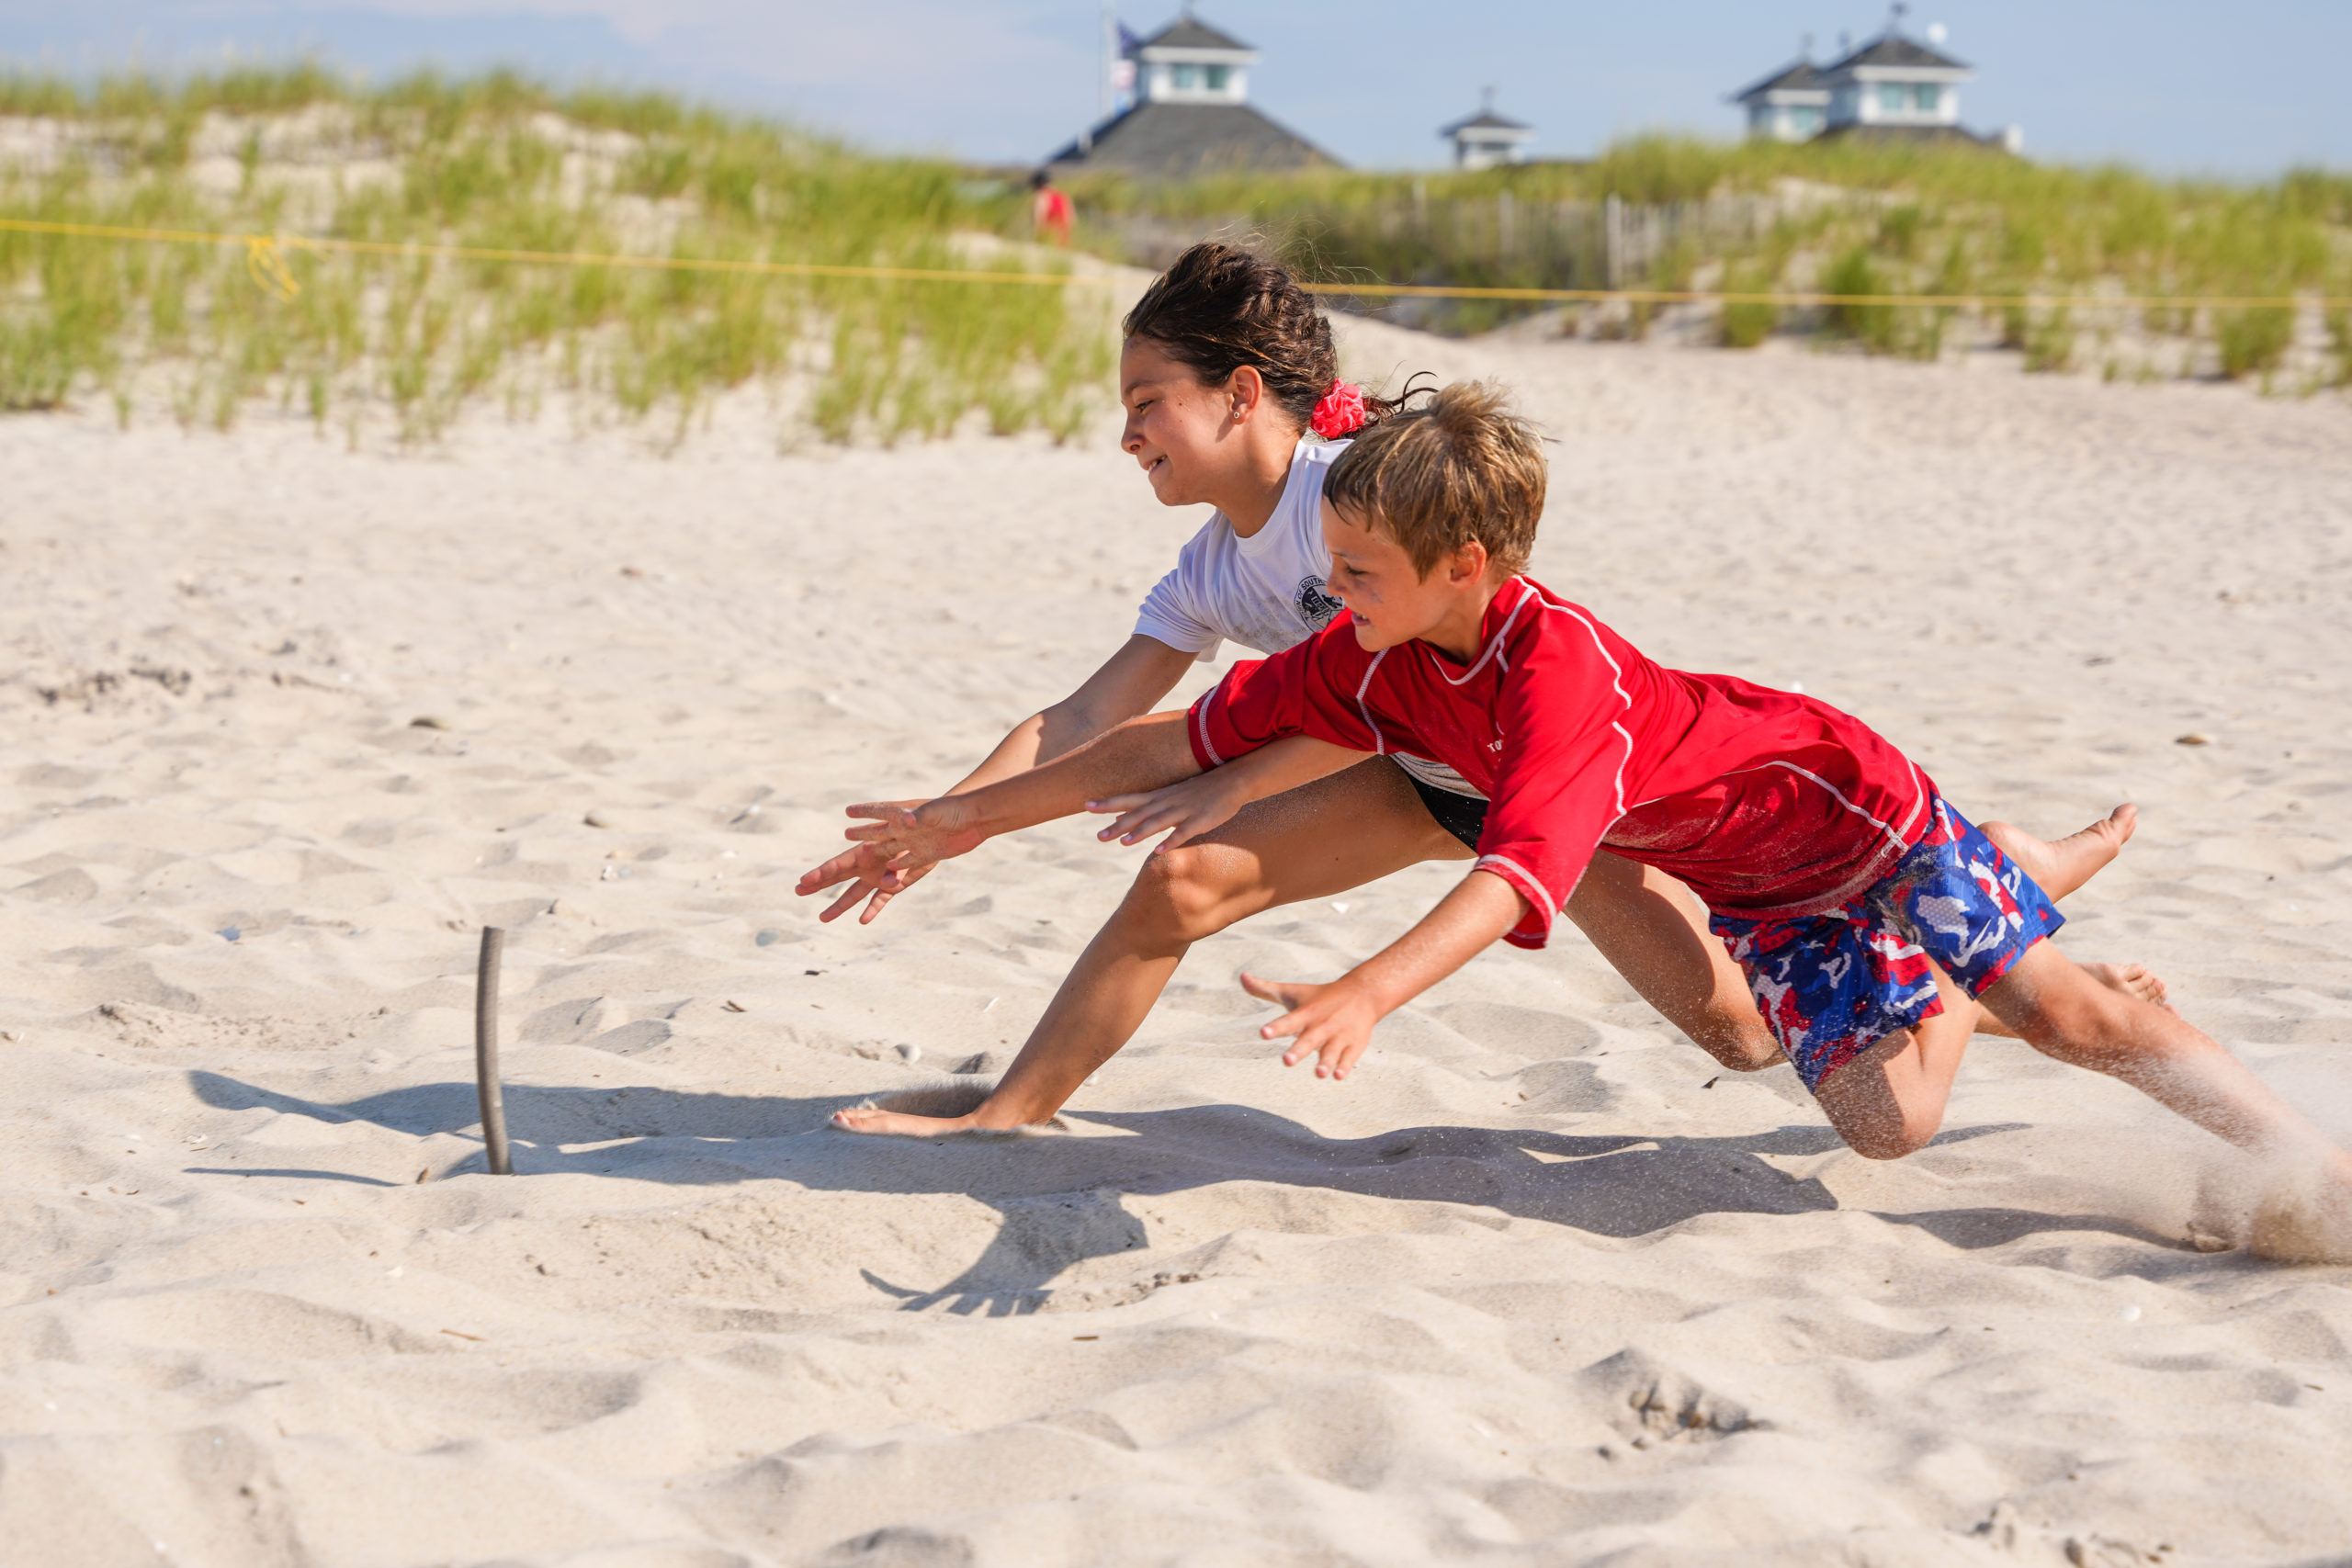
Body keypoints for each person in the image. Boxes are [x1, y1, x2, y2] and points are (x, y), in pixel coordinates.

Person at [820, 381, 2352, 1213]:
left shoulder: (1565, 683)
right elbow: (1168, 742)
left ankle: (2305, 1161)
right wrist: (961, 819)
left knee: (2080, 1018)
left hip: (1853, 814)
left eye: (1355, 573)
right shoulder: (1369, 658)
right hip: (1752, 885)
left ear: (1467, 569)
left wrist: (1369, 986)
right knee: (1883, 1131)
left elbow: (1514, 875)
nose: (1327, 596)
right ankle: (1956, 973)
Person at [797, 245, 2158, 1140]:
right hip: (1427, 777)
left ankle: (2005, 913)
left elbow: (1434, 658)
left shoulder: (1373, 487)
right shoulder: (1214, 566)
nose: (1126, 428)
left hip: (1537, 776)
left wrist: (1240, 784)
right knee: (1187, 884)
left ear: (1242, 393)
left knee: (1744, 1008)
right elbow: (1105, 721)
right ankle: (1012, 1113)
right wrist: (952, 814)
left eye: (1149, 396)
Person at [1030, 170, 1073, 248]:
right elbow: (1070, 219)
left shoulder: (1041, 196)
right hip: (1063, 242)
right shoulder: (1063, 196)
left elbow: (1038, 218)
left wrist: (1038, 238)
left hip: (1048, 241)